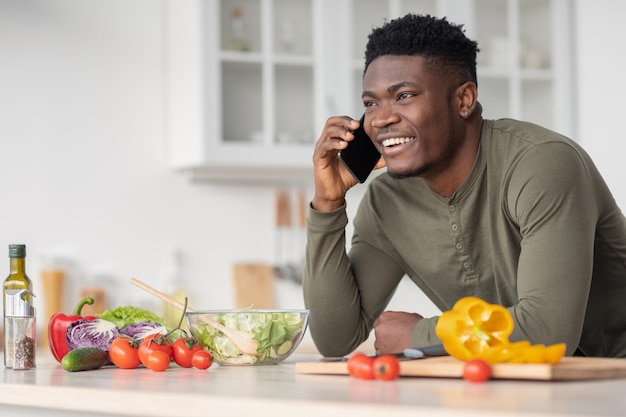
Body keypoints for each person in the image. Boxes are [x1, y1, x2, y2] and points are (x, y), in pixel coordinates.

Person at [303, 14, 626, 358]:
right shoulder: (388, 203)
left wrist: (422, 333)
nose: (381, 118)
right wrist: (328, 202)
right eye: (371, 103)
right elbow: (335, 338)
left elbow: (547, 332)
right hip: (518, 389)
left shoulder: (542, 163)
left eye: (405, 95)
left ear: (464, 100)